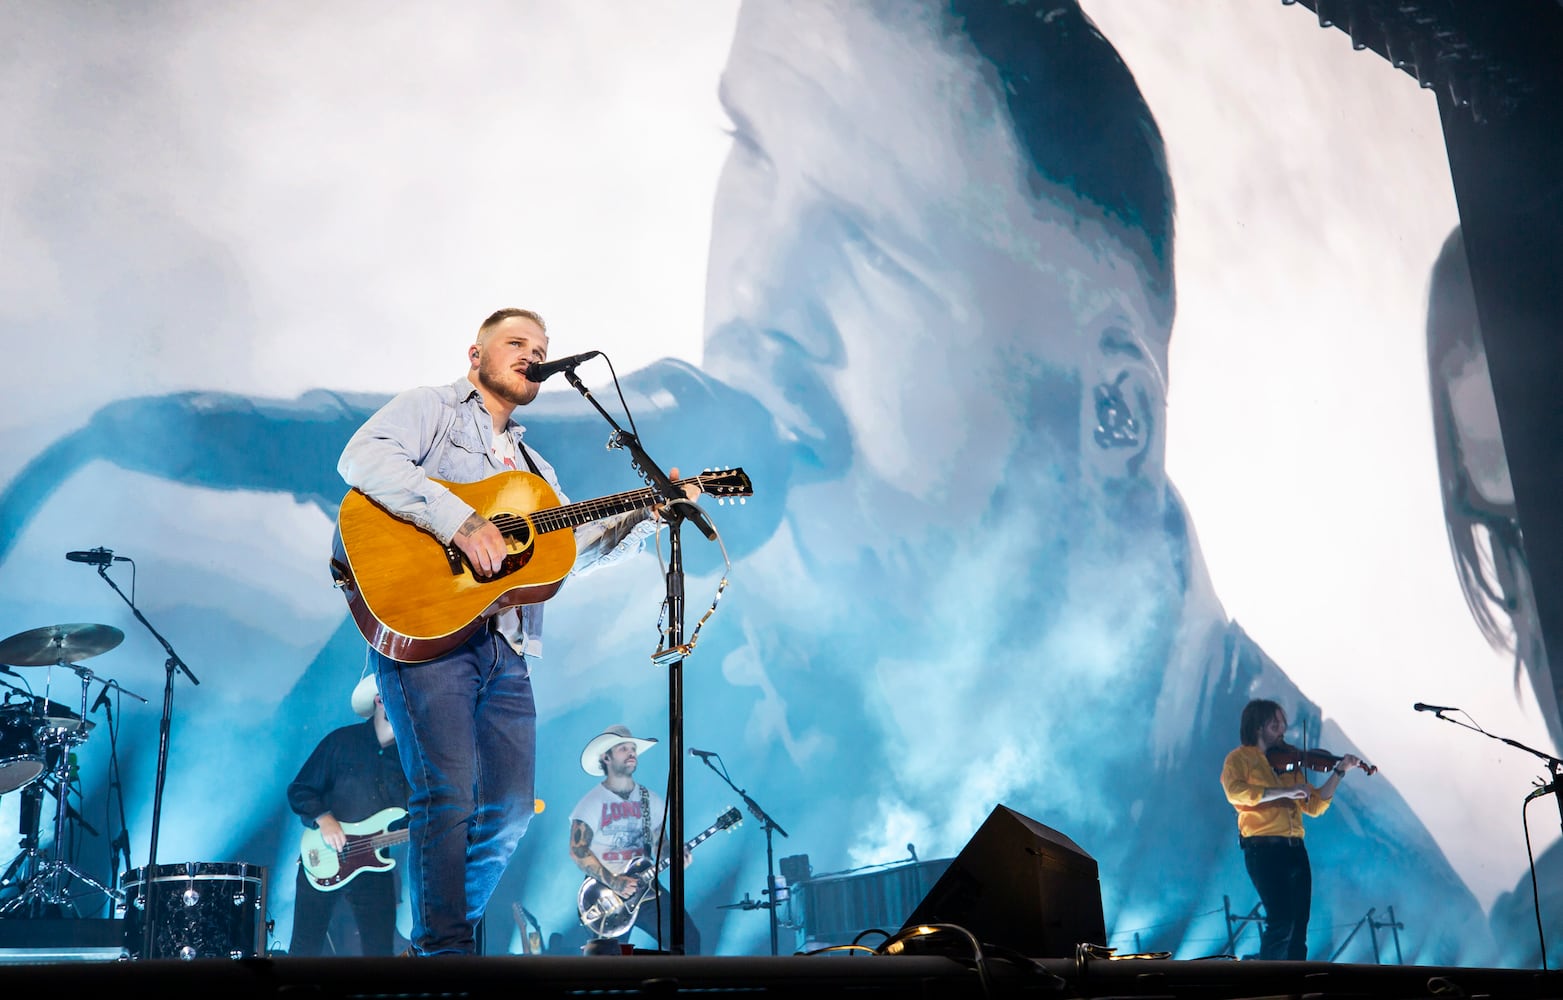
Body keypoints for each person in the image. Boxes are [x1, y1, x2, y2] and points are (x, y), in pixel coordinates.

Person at [335, 308, 701, 956]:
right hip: (431, 634)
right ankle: (447, 950)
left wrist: (646, 516)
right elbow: (362, 458)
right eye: (516, 343)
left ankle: (435, 940)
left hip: (508, 649)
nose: (532, 354)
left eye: (541, 348)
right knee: (444, 795)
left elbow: (568, 553)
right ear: (474, 355)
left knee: (506, 815)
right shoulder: (435, 409)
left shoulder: (536, 470)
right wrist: (457, 521)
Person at [1220, 699, 1359, 961]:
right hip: (1263, 850)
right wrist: (1283, 791)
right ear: (1259, 726)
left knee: (1299, 927)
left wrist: (1338, 772)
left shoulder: (1290, 763)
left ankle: (1296, 985)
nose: (1282, 729)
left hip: (1295, 850)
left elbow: (1315, 805)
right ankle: (1269, 983)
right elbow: (1236, 791)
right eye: (1275, 723)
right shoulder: (1239, 759)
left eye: (1283, 723)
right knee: (1281, 920)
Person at [286, 673, 410, 957]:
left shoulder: (409, 758)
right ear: (380, 700)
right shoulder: (341, 742)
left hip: (374, 864)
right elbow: (301, 789)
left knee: (379, 951)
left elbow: (412, 813)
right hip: (323, 854)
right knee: (304, 950)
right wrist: (324, 818)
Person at [567, 724, 699, 955]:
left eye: (633, 748)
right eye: (623, 749)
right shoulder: (592, 803)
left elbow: (661, 846)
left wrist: (676, 857)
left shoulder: (651, 800)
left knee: (688, 940)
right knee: (608, 958)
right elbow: (578, 851)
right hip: (607, 895)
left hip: (646, 889)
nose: (631, 753)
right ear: (605, 757)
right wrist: (615, 882)